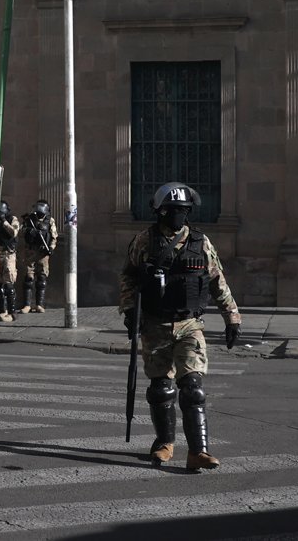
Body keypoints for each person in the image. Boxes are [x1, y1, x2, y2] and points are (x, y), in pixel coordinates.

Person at [118, 181, 240, 471]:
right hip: (155, 324)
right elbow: (128, 277)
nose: (178, 216)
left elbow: (217, 281)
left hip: (189, 325)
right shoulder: (144, 241)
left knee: (192, 387)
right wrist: (129, 311)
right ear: (160, 212)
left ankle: (199, 451)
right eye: (172, 211)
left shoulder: (201, 242)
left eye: (183, 211)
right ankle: (164, 444)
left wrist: (232, 318)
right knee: (161, 388)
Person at [19, 199, 57, 313]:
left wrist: (51, 248)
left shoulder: (50, 220)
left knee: (42, 278)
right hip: (30, 251)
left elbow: (54, 236)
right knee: (28, 278)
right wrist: (29, 231)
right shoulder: (29, 219)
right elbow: (20, 231)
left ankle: (39, 304)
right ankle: (27, 305)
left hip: (42, 253)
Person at [0, 200, 21, 322]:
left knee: (8, 284)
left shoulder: (12, 219)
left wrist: (4, 222)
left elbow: (14, 232)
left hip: (9, 254)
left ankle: (12, 313)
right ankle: (2, 312)